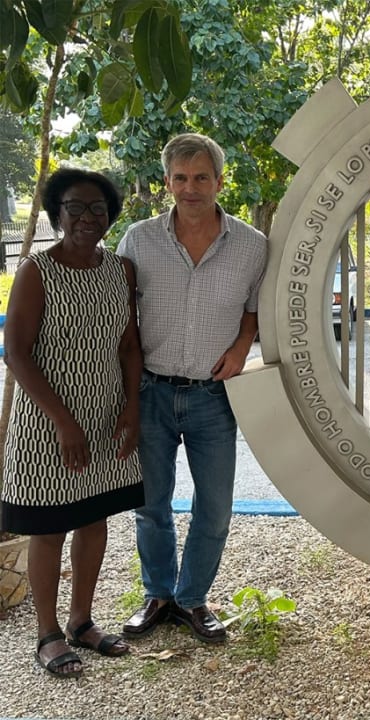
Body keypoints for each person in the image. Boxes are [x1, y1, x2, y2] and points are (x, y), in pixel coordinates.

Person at [117, 133, 267, 644]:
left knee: (216, 508)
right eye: (180, 178)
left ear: (220, 181)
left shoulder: (251, 245)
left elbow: (254, 310)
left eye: (201, 177)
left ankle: (192, 599)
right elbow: (120, 316)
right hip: (152, 393)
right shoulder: (138, 240)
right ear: (167, 183)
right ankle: (158, 594)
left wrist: (245, 344)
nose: (191, 188)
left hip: (212, 397)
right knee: (150, 504)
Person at [0, 168, 144, 677]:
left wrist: (131, 408)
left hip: (105, 415)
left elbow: (129, 345)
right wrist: (63, 421)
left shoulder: (120, 270)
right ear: (56, 214)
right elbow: (15, 353)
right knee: (49, 527)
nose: (88, 218)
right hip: (47, 423)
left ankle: (82, 621)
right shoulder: (37, 271)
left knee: (94, 519)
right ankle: (48, 634)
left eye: (98, 209)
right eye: (76, 208)